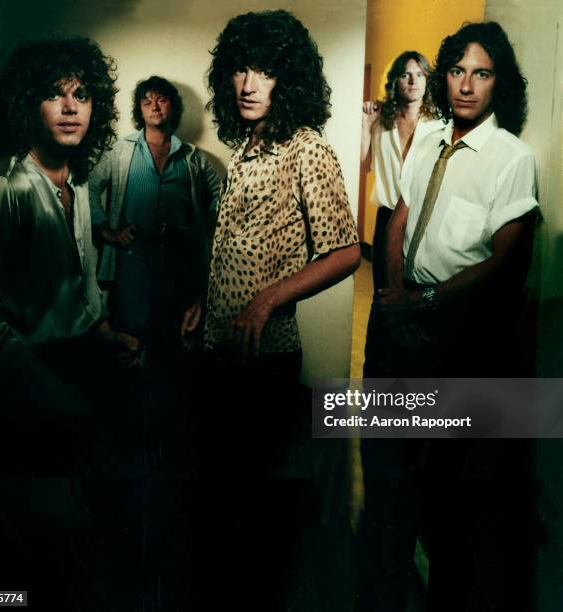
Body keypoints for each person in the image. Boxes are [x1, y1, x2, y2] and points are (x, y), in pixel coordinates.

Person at [0, 38, 139, 611]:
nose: (69, 107)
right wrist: (50, 395)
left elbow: (83, 290)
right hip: (16, 393)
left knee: (90, 535)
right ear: (25, 107)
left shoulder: (77, 185)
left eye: (81, 96)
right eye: (53, 96)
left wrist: (108, 336)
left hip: (71, 374)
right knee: (25, 564)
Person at [357, 22, 539, 612]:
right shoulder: (429, 136)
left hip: (454, 336)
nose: (466, 85)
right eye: (457, 70)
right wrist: (391, 296)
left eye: (481, 73)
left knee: (449, 489)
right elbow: (398, 221)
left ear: (499, 83)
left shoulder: (512, 158)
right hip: (394, 320)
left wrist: (427, 304)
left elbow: (505, 262)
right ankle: (380, 586)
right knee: (383, 467)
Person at [199, 9, 361, 610]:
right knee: (224, 504)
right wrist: (204, 298)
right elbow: (240, 242)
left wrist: (267, 301)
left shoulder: (307, 149)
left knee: (258, 513)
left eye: (264, 71)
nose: (248, 83)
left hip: (264, 360)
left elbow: (345, 251)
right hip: (218, 350)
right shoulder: (245, 145)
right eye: (241, 67)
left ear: (285, 79)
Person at [89, 75, 220, 359]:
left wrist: (205, 227)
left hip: (178, 260)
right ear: (140, 110)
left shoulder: (191, 157)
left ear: (173, 106)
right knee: (133, 337)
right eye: (146, 101)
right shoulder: (121, 152)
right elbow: (88, 187)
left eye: (161, 99)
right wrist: (107, 233)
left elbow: (222, 193)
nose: (154, 106)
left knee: (176, 336)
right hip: (132, 257)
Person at [361, 50, 441, 292]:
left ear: (427, 80)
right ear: (395, 80)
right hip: (387, 217)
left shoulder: (440, 125)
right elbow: (365, 165)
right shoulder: (380, 121)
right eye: (406, 75)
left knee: (415, 292)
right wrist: (365, 126)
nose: (413, 81)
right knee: (384, 293)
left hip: (424, 218)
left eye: (420, 74)